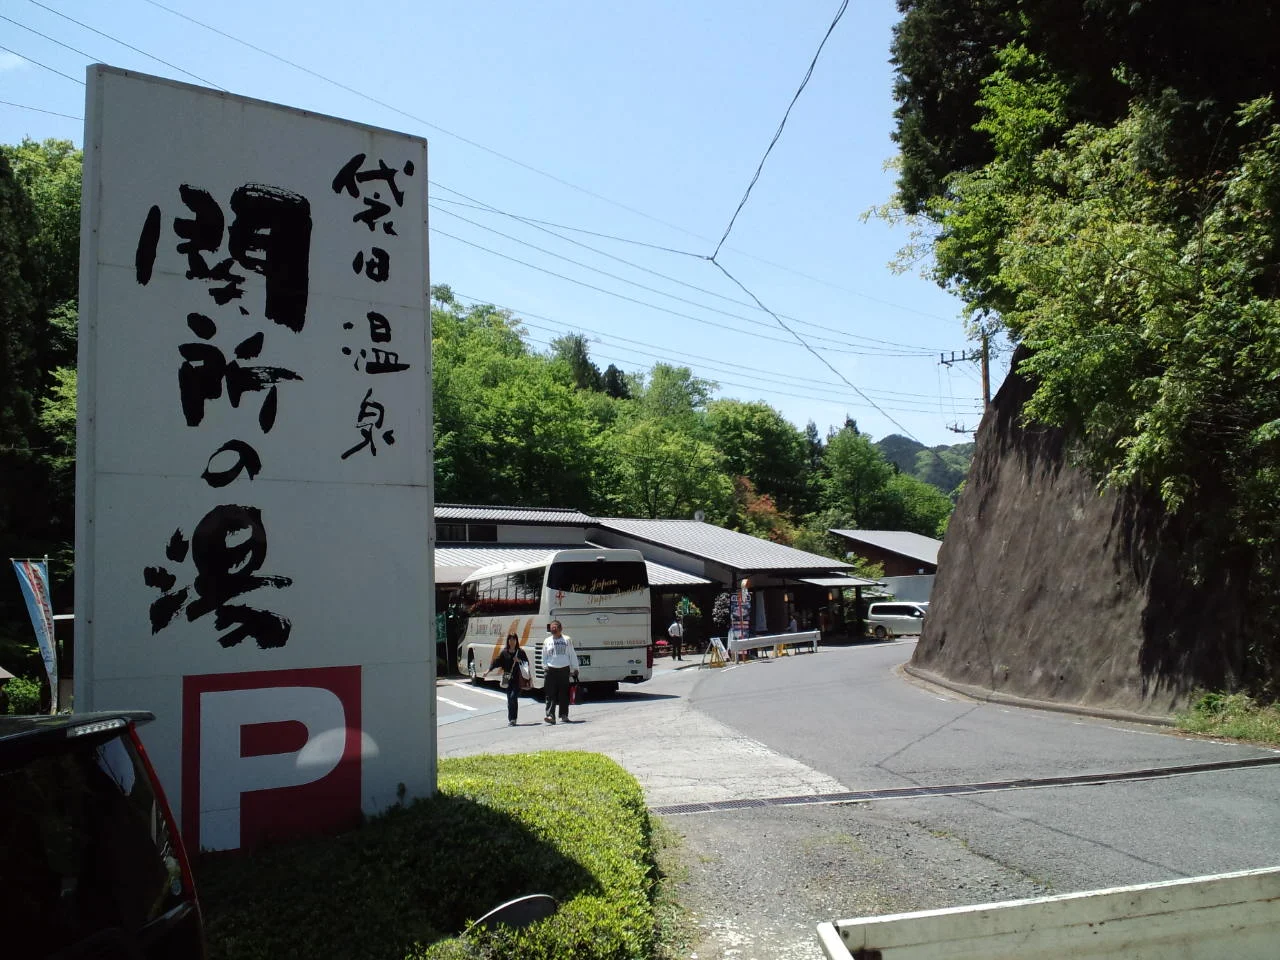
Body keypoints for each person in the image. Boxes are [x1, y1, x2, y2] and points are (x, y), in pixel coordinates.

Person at [541, 620, 579, 724]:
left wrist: (575, 668)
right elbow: (544, 655)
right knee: (550, 694)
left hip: (564, 669)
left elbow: (572, 654)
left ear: (560, 628)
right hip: (550, 669)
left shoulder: (567, 639)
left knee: (563, 694)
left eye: (555, 627)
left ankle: (564, 715)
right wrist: (544, 666)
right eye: (552, 627)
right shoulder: (547, 640)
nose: (553, 629)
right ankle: (550, 716)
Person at [489, 632, 530, 726]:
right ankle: (511, 719)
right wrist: (488, 670)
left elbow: (526, 663)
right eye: (510, 639)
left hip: (517, 678)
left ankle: (513, 719)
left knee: (513, 697)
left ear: (516, 641)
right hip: (507, 677)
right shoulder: (504, 652)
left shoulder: (520, 652)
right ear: (508, 641)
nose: (512, 642)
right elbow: (496, 662)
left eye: (514, 639)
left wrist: (519, 660)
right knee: (509, 699)